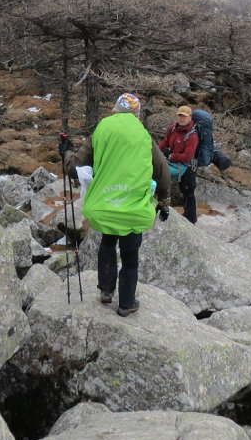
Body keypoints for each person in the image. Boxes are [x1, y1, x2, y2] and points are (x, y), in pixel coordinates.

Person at [60, 93, 171, 317]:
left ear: (114, 111)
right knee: (130, 256)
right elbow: (162, 170)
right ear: (138, 116)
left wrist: (67, 152)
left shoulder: (102, 129)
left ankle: (106, 291)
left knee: (108, 242)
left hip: (105, 206)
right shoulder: (143, 134)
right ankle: (127, 303)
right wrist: (164, 200)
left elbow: (75, 168)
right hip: (134, 209)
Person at [158, 105, 199, 224]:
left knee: (188, 193)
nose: (181, 118)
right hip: (176, 165)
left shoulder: (192, 136)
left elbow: (188, 156)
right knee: (163, 182)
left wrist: (171, 156)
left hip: (189, 168)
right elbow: (165, 142)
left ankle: (191, 220)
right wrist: (157, 153)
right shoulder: (172, 129)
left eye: (184, 116)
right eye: (179, 115)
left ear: (190, 118)